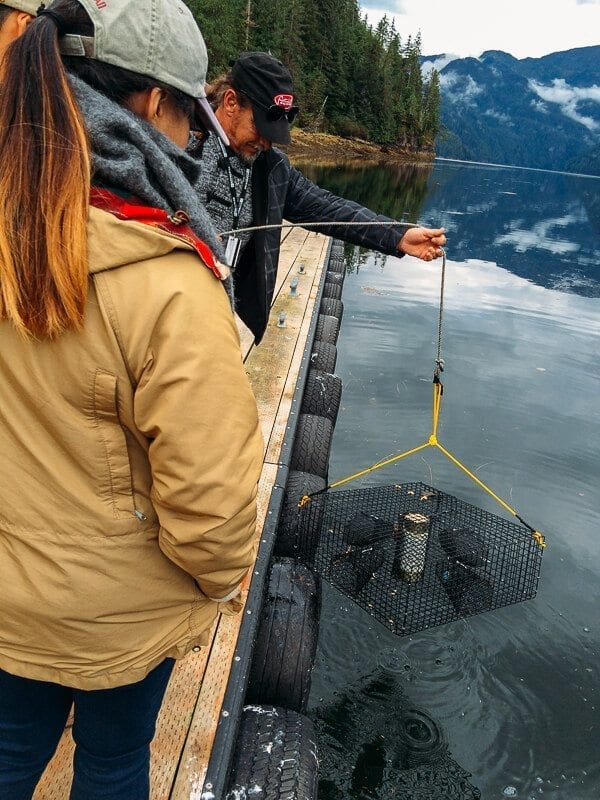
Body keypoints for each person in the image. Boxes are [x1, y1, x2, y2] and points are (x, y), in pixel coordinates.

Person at [0, 2, 263, 799]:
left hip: (8, 596)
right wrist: (217, 582)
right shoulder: (171, 284)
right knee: (113, 761)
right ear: (152, 104)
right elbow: (213, 516)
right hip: (120, 621)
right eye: (188, 119)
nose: (190, 144)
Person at [194, 51, 447, 344]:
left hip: (217, 312)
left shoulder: (271, 168)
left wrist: (398, 236)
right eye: (260, 128)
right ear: (231, 102)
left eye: (272, 134)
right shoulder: (180, 141)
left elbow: (330, 209)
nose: (265, 143)